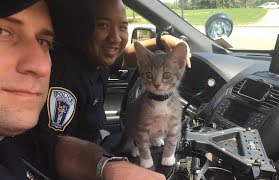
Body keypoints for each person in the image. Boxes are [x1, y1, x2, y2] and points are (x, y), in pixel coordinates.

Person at [0, 0, 166, 179]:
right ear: (83, 34)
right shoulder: (68, 72)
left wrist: (107, 167)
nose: (41, 67)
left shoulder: (98, 61)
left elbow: (48, 147)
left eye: (44, 41)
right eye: (3, 32)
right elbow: (50, 143)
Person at [39, 0, 190, 143]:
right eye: (103, 25)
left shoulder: (97, 59)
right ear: (82, 27)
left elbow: (126, 54)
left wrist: (161, 40)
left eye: (123, 27)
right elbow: (56, 145)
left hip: (97, 140)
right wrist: (108, 163)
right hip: (80, 158)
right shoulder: (67, 76)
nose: (115, 38)